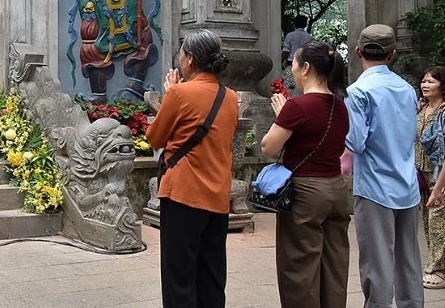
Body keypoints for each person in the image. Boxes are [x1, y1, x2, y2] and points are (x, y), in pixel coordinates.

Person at [145, 29, 239, 308]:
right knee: (211, 276)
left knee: (179, 277)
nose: (180, 59)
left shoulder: (180, 93)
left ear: (191, 60)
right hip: (218, 196)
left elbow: (154, 138)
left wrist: (172, 92)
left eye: (182, 54)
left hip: (183, 194)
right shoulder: (231, 97)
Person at [261, 40, 350, 307]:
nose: (293, 70)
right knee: (334, 265)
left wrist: (283, 116)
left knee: (300, 265)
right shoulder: (340, 106)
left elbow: (268, 147)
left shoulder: (298, 107)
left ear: (307, 68)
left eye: (294, 65)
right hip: (336, 188)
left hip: (306, 191)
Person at [345, 24, 424, 307]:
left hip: (374, 187)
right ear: (393, 54)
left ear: (357, 52)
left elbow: (355, 142)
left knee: (377, 262)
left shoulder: (358, 91)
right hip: (407, 184)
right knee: (409, 260)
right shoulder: (407, 89)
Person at [417, 66, 445, 289]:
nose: (425, 85)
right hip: (422, 173)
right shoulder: (421, 109)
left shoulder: (443, 113)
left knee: (438, 222)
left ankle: (437, 269)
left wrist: (439, 187)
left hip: (440, 175)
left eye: (431, 82)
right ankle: (435, 265)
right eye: (424, 81)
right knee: (428, 221)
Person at [281, 15, 315, 97]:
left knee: (288, 89)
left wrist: (280, 63)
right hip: (305, 66)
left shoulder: (290, 35)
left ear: (294, 24)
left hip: (291, 65)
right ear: (305, 24)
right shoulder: (309, 37)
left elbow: (285, 51)